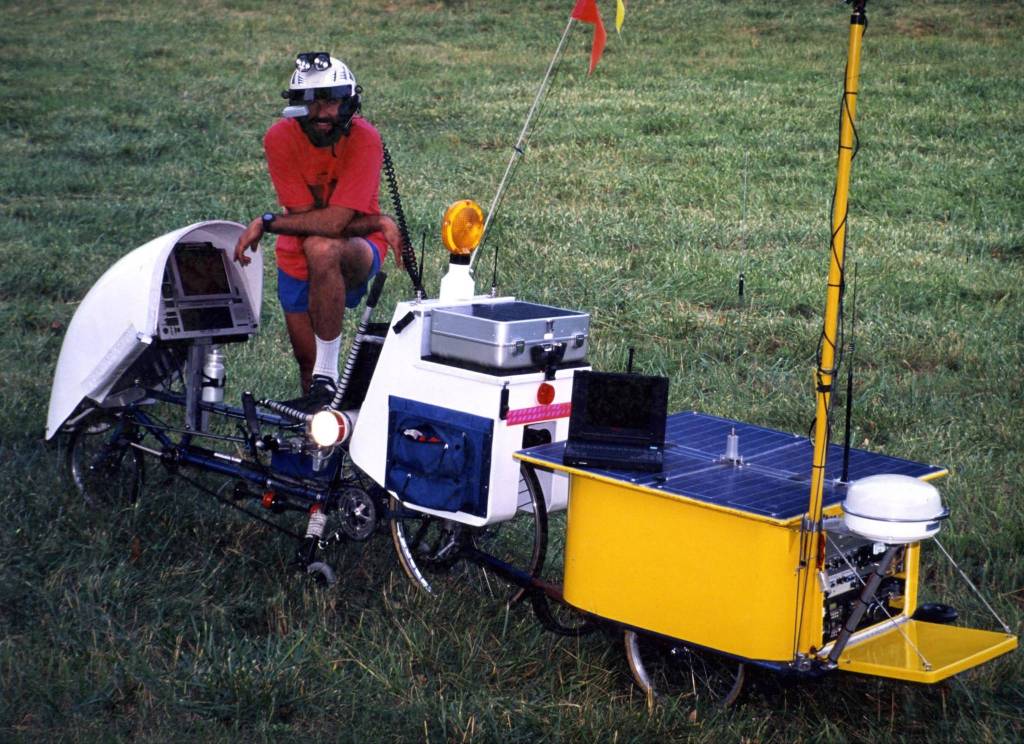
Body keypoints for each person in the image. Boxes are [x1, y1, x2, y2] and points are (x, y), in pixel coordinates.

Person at [234, 51, 403, 403]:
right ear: (296, 106)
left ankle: (329, 373)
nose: (323, 114)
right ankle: (317, 437)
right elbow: (312, 219)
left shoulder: (365, 138)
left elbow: (334, 225)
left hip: (358, 246)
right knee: (305, 364)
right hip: (301, 248)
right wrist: (379, 220)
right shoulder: (279, 138)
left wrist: (268, 222)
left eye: (332, 102)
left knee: (322, 247)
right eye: (312, 103)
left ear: (350, 103)